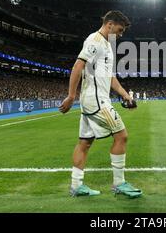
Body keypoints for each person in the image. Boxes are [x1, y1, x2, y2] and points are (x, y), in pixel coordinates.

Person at [59, 10, 142, 198]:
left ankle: (76, 185)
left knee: (84, 143)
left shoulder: (107, 45)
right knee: (121, 136)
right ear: (109, 24)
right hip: (96, 101)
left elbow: (110, 77)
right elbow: (78, 66)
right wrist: (71, 95)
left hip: (92, 100)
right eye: (119, 30)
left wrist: (125, 95)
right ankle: (119, 183)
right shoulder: (95, 41)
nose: (120, 34)